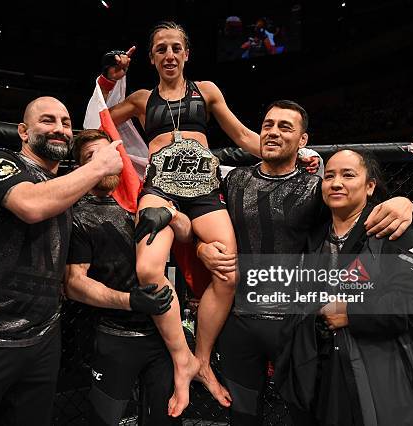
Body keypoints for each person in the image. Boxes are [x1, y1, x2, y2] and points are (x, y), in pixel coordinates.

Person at [97, 21, 321, 416]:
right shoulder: (139, 99)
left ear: (186, 54)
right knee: (149, 270)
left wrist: (299, 154)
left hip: (203, 191)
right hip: (159, 189)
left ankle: (201, 359)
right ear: (152, 58)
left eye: (175, 48)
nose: (169, 55)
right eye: (161, 49)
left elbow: (242, 136)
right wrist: (108, 80)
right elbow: (95, 123)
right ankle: (182, 358)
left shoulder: (208, 91)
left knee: (229, 273)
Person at [197, 100, 413, 425]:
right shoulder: (234, 180)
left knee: (306, 414)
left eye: (285, 127)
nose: (273, 132)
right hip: (238, 321)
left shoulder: (318, 189)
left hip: (294, 323)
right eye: (268, 124)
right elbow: (201, 224)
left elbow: (357, 211)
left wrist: (403, 201)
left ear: (302, 141)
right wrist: (202, 248)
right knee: (241, 416)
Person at [0, 96, 123, 425]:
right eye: (47, 120)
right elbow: (31, 206)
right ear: (23, 131)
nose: (60, 129)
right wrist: (98, 167)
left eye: (66, 123)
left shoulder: (66, 187)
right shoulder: (0, 162)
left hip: (43, 338)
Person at [307, 149, 413, 425]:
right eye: (329, 176)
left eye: (348, 175)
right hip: (334, 371)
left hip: (392, 372)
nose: (336, 183)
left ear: (370, 186)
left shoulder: (393, 231)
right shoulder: (314, 235)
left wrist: (353, 313)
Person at [66, 129, 195, 425]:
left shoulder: (143, 198)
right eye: (92, 155)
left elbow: (187, 235)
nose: (104, 159)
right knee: (104, 418)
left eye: (108, 151)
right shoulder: (78, 215)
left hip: (163, 334)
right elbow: (74, 283)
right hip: (115, 336)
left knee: (165, 419)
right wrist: (130, 301)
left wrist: (172, 215)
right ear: (81, 167)